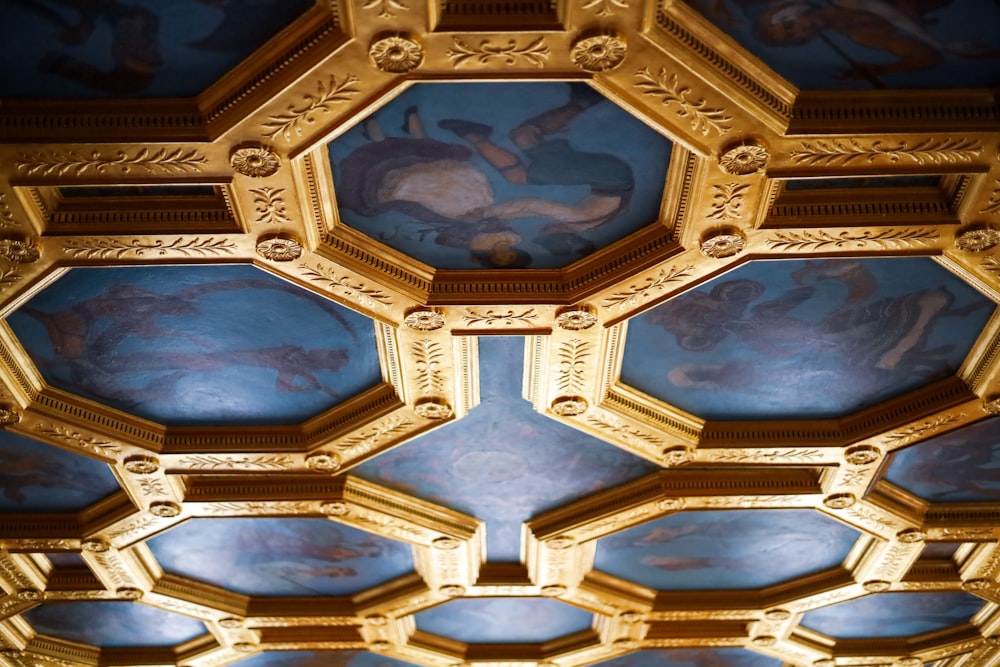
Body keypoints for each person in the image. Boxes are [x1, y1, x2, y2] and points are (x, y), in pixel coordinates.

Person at [335, 83, 635, 267]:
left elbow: (450, 237)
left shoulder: (590, 222)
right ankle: (479, 137)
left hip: (611, 178)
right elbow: (529, 205)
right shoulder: (576, 219)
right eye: (547, 234)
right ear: (560, 235)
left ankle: (576, 103)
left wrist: (475, 222)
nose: (544, 230)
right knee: (521, 155)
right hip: (612, 176)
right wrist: (486, 213)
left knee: (524, 142)